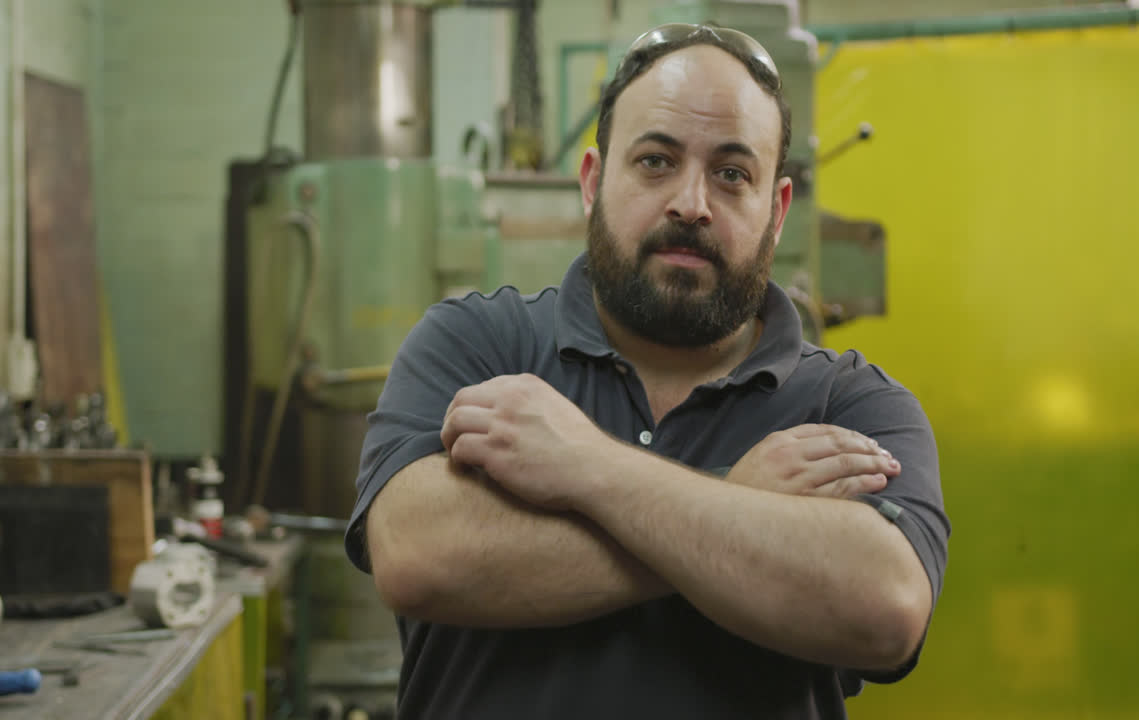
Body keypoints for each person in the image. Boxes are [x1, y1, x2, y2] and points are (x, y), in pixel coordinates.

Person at [345, 22, 949, 720]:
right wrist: (740, 502)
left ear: (777, 211)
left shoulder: (850, 407)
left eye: (731, 174)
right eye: (656, 161)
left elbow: (885, 608)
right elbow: (416, 554)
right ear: (593, 182)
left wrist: (585, 465)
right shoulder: (477, 345)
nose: (691, 203)